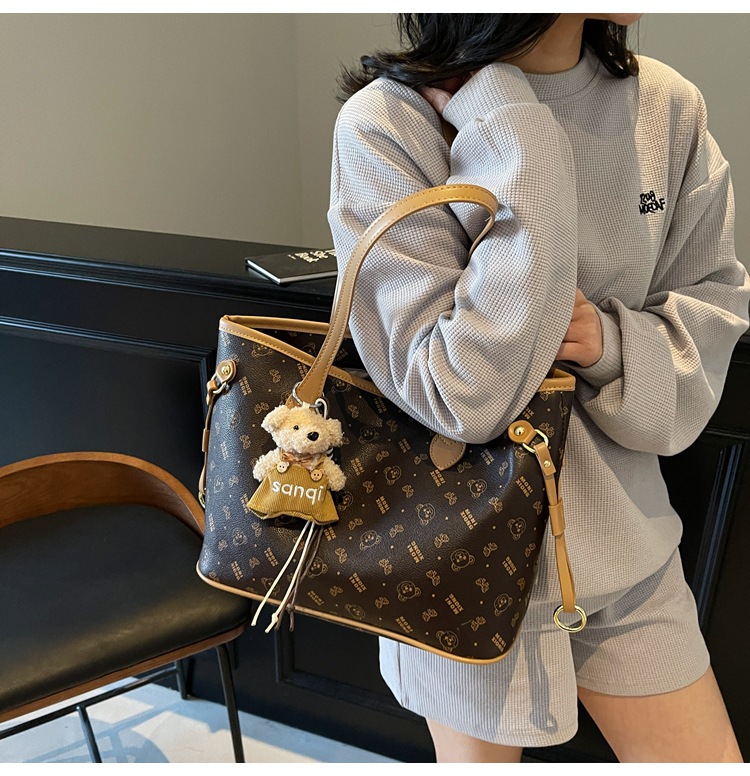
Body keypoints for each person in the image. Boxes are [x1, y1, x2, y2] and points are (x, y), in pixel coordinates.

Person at [326, 13, 750, 763]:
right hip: (459, 561)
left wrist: (610, 345)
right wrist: (510, 123)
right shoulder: (389, 123)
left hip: (630, 555)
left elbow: (708, 312)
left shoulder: (666, 107)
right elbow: (457, 395)